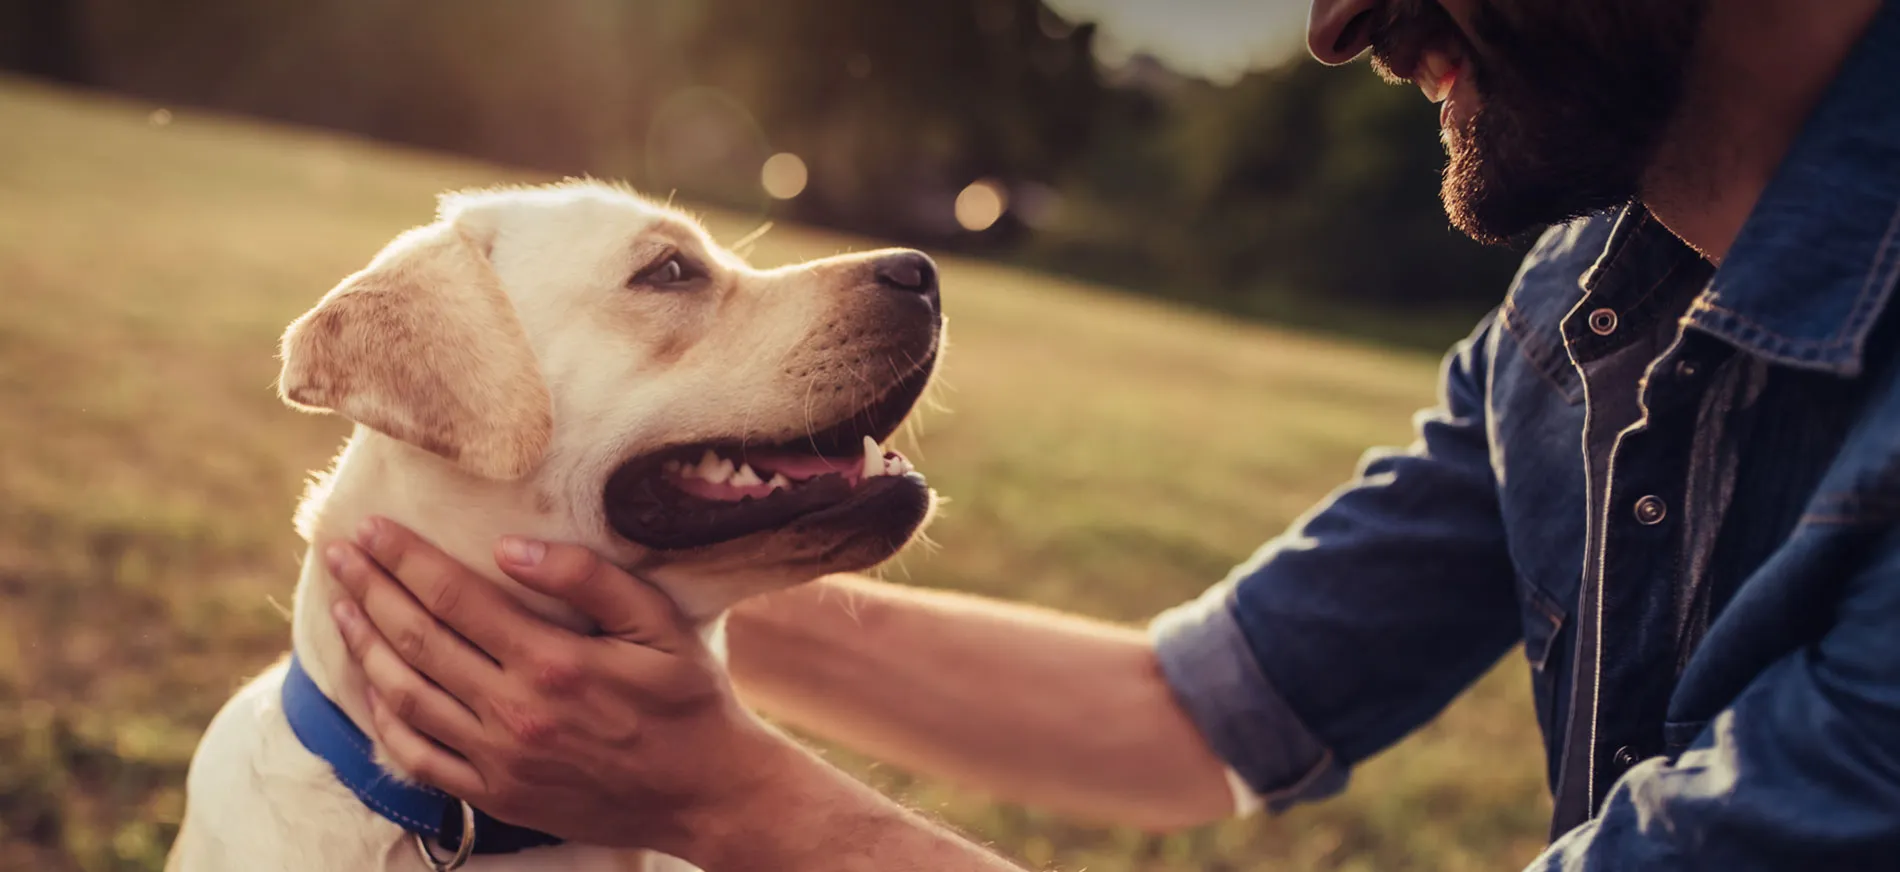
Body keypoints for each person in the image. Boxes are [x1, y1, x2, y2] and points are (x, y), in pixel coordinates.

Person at [321, 0, 1900, 868]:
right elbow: (1180, 716)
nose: (1336, 21)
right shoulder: (1581, 317)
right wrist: (580, 592)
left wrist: (726, 800)